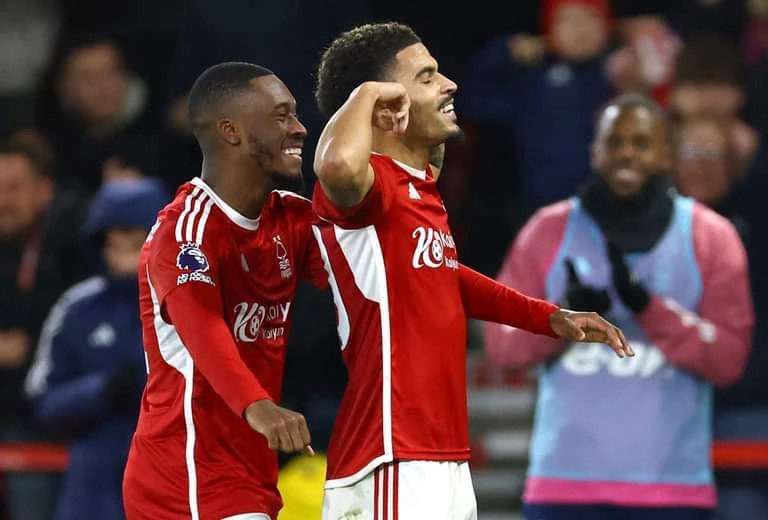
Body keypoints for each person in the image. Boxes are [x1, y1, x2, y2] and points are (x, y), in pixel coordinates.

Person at [311, 22, 632, 520]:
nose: (449, 84)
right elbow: (333, 166)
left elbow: (447, 275)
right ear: (384, 106)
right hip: (391, 454)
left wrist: (549, 317)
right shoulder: (365, 192)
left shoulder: (415, 191)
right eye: (426, 77)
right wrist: (367, 91)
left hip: (439, 454)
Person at [485, 94, 754, 520]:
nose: (626, 152)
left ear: (666, 153)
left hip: (673, 491)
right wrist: (562, 316)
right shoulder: (547, 230)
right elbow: (502, 347)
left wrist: (649, 308)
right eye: (615, 142)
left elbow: (728, 360)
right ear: (595, 152)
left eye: (641, 142)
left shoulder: (711, 236)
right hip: (563, 487)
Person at [122, 62, 328, 520]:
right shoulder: (186, 230)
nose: (299, 128)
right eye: (281, 116)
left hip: (248, 472)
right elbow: (203, 327)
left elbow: (380, 272)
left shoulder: (291, 219)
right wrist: (259, 407)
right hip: (186, 472)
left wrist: (527, 313)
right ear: (231, 131)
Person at [25, 178, 167, 520]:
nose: (119, 253)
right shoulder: (76, 308)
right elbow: (43, 399)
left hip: (169, 478)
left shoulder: (187, 303)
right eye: (112, 243)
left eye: (133, 243)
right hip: (92, 490)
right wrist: (102, 390)